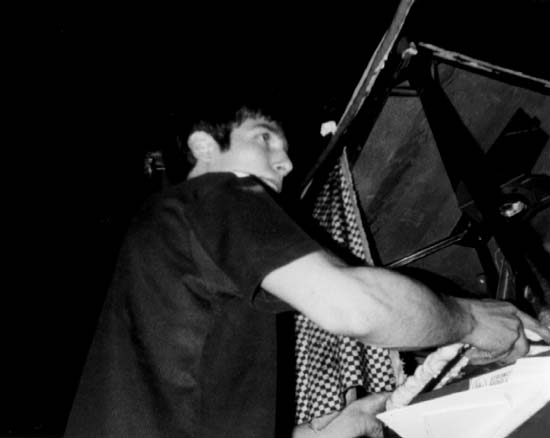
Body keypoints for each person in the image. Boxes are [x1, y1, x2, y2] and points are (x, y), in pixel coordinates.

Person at [65, 99, 550, 438]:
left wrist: (329, 429)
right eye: (264, 138)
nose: (286, 161)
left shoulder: (165, 251)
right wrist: (471, 318)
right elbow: (352, 307)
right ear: (204, 147)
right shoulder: (217, 192)